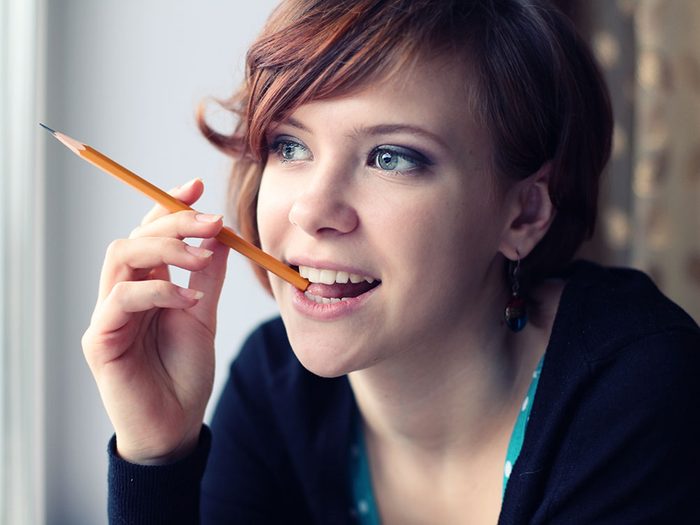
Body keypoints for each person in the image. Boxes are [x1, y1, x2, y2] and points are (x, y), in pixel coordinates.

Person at [81, 0, 700, 523]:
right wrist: (157, 458)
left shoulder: (639, 388)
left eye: (392, 158)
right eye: (289, 145)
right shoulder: (274, 387)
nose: (311, 210)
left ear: (523, 215)